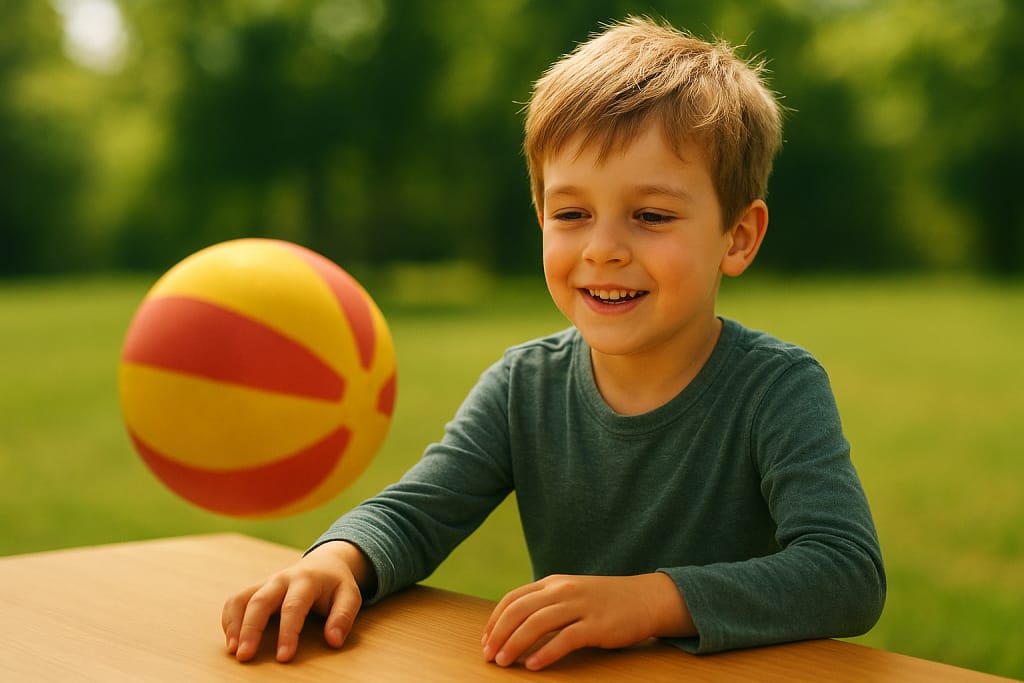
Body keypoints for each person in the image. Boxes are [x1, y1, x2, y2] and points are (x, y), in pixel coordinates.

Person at [222, 16, 885, 671]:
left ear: (737, 237)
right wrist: (336, 560)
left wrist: (649, 601)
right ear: (541, 218)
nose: (603, 249)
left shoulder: (776, 387)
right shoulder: (522, 387)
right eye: (572, 214)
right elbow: (418, 512)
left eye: (651, 216)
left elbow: (844, 570)